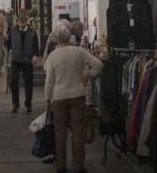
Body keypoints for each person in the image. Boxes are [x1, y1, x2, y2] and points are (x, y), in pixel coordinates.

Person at [44, 25, 103, 173]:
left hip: (59, 97)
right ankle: (78, 166)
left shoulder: (53, 55)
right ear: (69, 37)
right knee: (77, 131)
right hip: (78, 95)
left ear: (56, 40)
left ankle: (61, 165)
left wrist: (47, 99)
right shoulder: (79, 51)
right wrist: (88, 75)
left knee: (59, 132)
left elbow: (49, 80)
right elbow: (98, 64)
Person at [7, 13, 39, 113]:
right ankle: (15, 103)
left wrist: (35, 55)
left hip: (27, 59)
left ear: (26, 21)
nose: (22, 24)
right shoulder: (13, 30)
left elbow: (35, 45)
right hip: (15, 59)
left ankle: (28, 104)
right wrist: (10, 50)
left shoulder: (32, 31)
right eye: (21, 22)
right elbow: (8, 43)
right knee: (13, 81)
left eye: (24, 22)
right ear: (18, 22)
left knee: (28, 82)